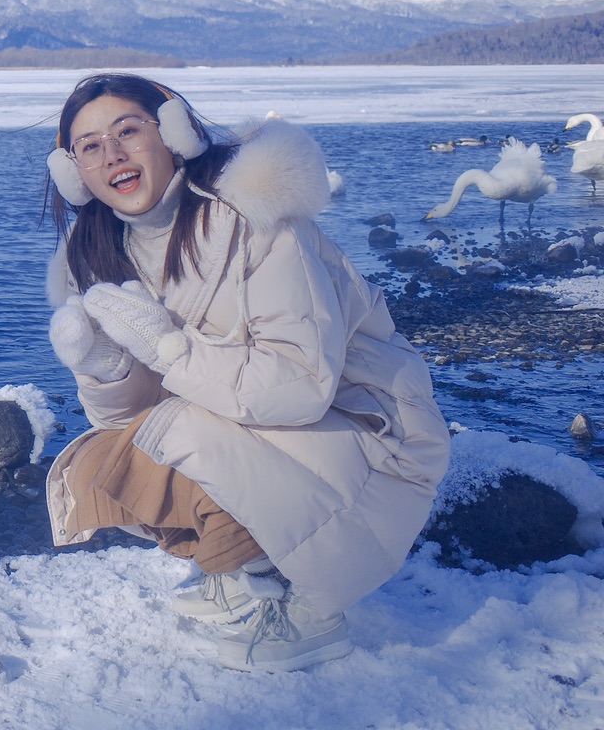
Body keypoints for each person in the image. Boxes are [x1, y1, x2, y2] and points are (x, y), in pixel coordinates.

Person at [39, 73, 449, 672]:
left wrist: (171, 350)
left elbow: (303, 386)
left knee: (178, 435)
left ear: (174, 132)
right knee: (106, 459)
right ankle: (247, 563)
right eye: (91, 146)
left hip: (369, 426)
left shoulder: (256, 219)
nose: (114, 155)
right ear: (73, 171)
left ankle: (312, 614)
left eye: (129, 130)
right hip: (273, 430)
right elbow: (133, 421)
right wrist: (108, 368)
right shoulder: (93, 253)